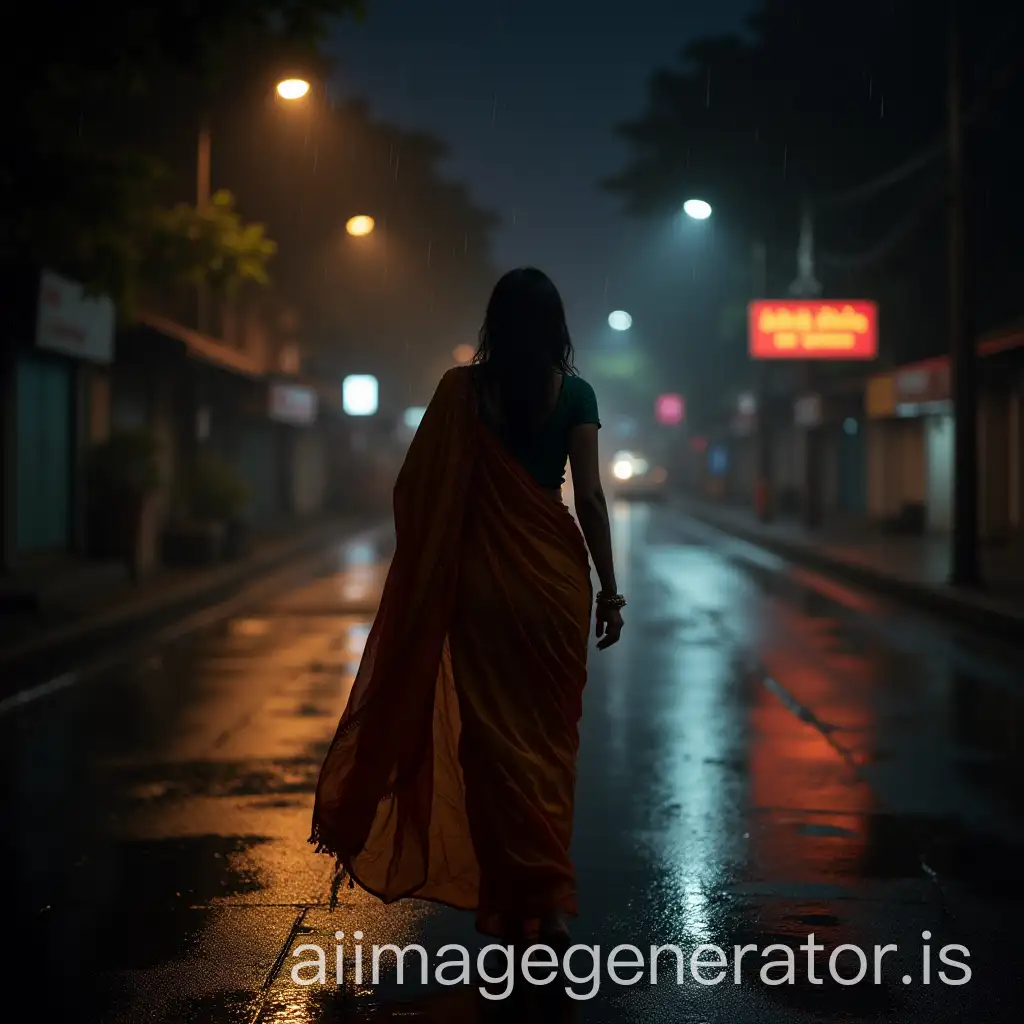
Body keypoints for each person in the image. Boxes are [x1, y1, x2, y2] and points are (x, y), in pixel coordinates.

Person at [310, 267, 623, 946]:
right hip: (555, 587)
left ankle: (512, 899)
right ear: (556, 326)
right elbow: (591, 499)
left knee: (491, 750)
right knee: (547, 745)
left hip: (482, 587)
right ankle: (548, 900)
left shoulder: (462, 392)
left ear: (495, 323)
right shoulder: (575, 393)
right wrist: (610, 589)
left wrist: (436, 568)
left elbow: (417, 489)